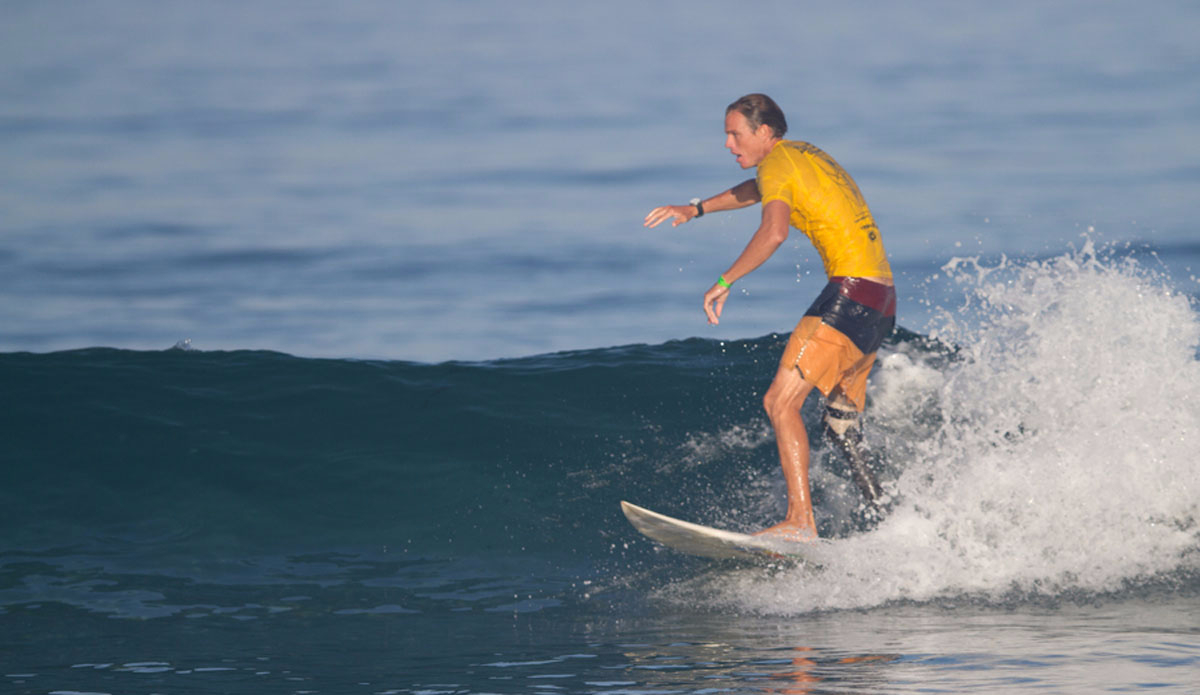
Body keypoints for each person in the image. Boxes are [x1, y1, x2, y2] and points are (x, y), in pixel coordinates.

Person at [644, 94, 895, 541]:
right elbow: (759, 190)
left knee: (780, 402)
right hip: (881, 300)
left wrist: (725, 281)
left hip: (851, 293)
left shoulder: (777, 163)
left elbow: (774, 230)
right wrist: (696, 208)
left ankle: (800, 522)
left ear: (763, 133)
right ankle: (890, 518)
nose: (726, 143)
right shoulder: (801, 155)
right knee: (840, 425)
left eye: (734, 133)